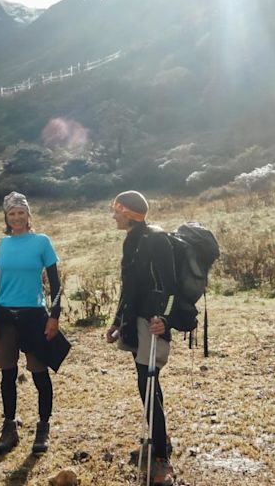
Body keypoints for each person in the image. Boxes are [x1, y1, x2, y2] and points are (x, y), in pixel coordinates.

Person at [0, 191, 70, 456]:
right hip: (4, 317)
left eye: (21, 213)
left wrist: (55, 316)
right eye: (11, 213)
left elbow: (56, 283)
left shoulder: (42, 242)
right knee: (7, 374)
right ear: (6, 217)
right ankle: (9, 427)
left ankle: (43, 427)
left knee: (40, 373)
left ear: (29, 215)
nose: (16, 217)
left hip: (34, 317)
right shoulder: (4, 244)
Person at [105, 190, 177, 484]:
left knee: (147, 383)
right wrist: (116, 321)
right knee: (147, 383)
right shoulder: (131, 241)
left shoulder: (156, 239)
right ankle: (161, 443)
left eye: (117, 211)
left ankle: (161, 458)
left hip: (152, 323)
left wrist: (166, 319)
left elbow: (171, 287)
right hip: (135, 322)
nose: (114, 216)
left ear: (130, 214)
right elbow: (129, 288)